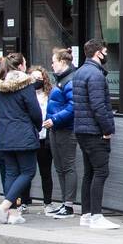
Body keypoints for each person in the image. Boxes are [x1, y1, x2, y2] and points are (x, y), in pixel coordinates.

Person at [71, 38, 120, 229]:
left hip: (82, 130)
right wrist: (107, 129)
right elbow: (99, 106)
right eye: (105, 51)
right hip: (94, 131)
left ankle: (86, 214)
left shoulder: (80, 72)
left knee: (89, 173)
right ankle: (96, 216)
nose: (106, 54)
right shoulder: (96, 75)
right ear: (98, 52)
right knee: (101, 171)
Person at [0, 52, 43, 225]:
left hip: (4, 134)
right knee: (28, 171)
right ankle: (5, 205)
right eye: (25, 63)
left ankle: (13, 214)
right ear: (20, 66)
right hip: (23, 134)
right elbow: (35, 112)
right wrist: (37, 125)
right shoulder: (26, 86)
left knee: (11, 173)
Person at [44, 48, 78, 218]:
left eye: (54, 61)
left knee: (67, 166)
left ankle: (69, 205)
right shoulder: (62, 80)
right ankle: (65, 202)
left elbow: (73, 106)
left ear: (63, 62)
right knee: (59, 167)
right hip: (56, 128)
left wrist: (55, 119)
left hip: (65, 129)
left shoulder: (69, 81)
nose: (52, 64)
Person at [20, 66, 55, 213]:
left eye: (39, 78)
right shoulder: (25, 94)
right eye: (33, 78)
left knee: (45, 171)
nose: (36, 81)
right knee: (27, 171)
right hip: (29, 137)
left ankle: (48, 202)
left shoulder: (49, 94)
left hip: (44, 138)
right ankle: (24, 201)